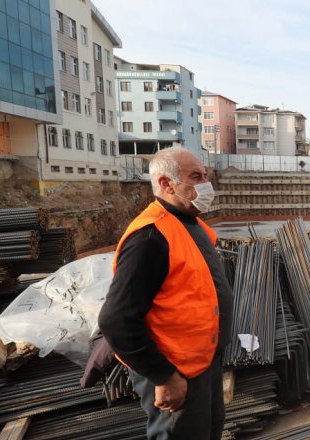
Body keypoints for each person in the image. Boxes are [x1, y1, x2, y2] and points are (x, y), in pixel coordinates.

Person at [99, 146, 233, 440]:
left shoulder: (189, 224)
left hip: (203, 363)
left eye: (206, 176)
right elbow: (116, 320)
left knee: (209, 431)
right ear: (166, 183)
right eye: (196, 176)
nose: (206, 184)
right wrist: (164, 376)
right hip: (176, 371)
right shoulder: (150, 237)